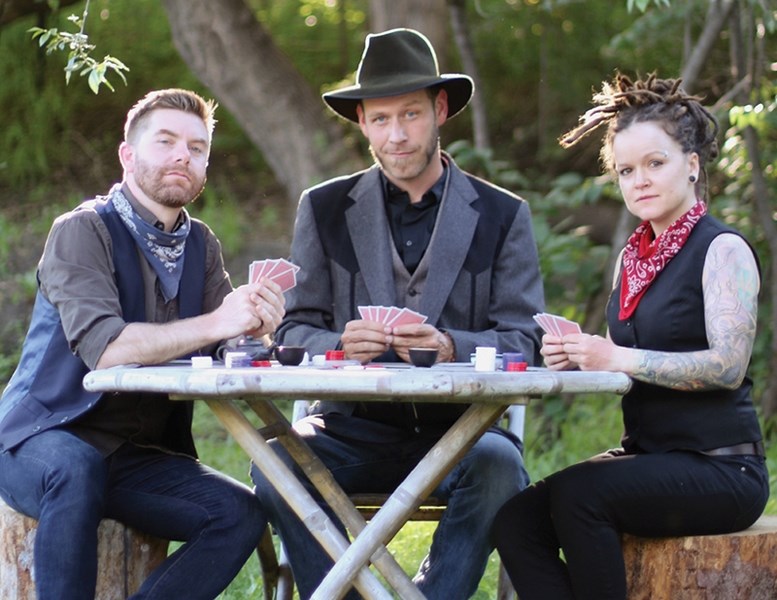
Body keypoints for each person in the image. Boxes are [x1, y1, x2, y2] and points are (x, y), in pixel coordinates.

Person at [251, 28, 544, 599]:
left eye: (410, 114)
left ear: (439, 111)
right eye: (381, 119)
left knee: (500, 470)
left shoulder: (504, 215)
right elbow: (292, 328)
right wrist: (338, 344)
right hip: (348, 426)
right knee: (275, 465)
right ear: (361, 121)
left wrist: (453, 346)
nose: (397, 134)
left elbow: (524, 340)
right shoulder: (325, 207)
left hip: (464, 430)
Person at [0, 89, 286, 599]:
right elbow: (106, 350)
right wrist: (217, 322)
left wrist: (255, 327)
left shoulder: (201, 243)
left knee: (239, 514)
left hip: (134, 453)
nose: (184, 155)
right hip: (40, 438)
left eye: (197, 148)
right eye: (167, 141)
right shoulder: (81, 231)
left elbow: (227, 345)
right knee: (74, 466)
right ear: (128, 156)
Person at [492, 72, 769, 600]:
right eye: (625, 170)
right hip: (651, 457)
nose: (639, 180)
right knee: (516, 521)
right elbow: (630, 355)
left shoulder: (723, 250)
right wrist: (579, 355)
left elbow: (727, 366)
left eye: (655, 163)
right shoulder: (632, 260)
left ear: (692, 164)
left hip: (723, 467)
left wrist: (616, 355)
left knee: (578, 494)